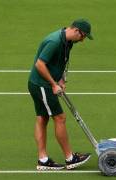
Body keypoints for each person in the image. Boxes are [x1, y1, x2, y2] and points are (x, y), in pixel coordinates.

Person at [28, 19, 94, 170]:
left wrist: (61, 80)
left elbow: (60, 62)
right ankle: (70, 158)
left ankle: (43, 160)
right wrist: (53, 84)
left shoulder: (68, 42)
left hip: (42, 84)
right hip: (41, 85)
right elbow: (40, 64)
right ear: (76, 30)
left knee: (42, 118)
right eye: (83, 36)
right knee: (60, 118)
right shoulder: (55, 41)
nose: (83, 40)